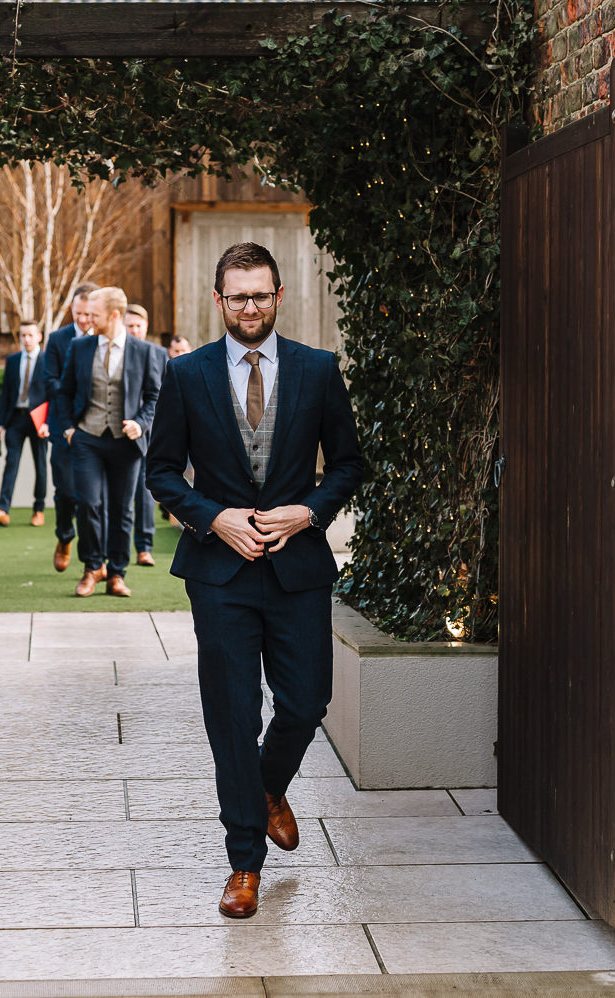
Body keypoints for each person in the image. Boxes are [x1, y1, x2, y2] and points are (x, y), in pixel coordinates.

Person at [147, 242, 362, 918]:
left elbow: (350, 465)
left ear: (277, 296)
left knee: (306, 703)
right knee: (233, 716)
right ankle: (245, 862)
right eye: (237, 295)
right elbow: (160, 472)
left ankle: (268, 790)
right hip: (219, 574)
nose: (249, 306)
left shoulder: (319, 371)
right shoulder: (186, 376)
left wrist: (310, 511)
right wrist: (214, 518)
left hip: (297, 569)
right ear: (219, 301)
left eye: (260, 295)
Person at [55, 286, 164, 598]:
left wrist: (141, 424)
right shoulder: (80, 347)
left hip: (125, 442)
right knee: (88, 503)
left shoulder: (144, 352)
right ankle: (92, 568)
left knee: (121, 509)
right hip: (87, 438)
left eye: (95, 314)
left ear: (114, 315)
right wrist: (68, 429)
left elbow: (155, 397)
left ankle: (117, 573)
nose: (88, 319)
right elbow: (63, 393)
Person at [41, 282, 101, 573]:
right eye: (78, 313)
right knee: (65, 492)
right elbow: (50, 382)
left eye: (89, 314)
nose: (83, 320)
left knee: (91, 499)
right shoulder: (57, 339)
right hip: (63, 425)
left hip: (97, 429)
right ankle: (64, 537)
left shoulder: (105, 339)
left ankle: (93, 557)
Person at [0, 319, 50, 527]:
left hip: (38, 420)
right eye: (23, 335)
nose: (26, 339)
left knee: (40, 465)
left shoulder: (48, 360)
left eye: (30, 335)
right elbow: (6, 394)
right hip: (15, 419)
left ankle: (38, 510)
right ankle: (3, 510)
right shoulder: (12, 360)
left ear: (39, 337)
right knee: (11, 462)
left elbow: (53, 394)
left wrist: (47, 422)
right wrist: (0, 424)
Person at [123, 303, 167, 567]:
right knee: (122, 494)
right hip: (125, 433)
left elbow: (165, 393)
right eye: (130, 326)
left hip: (152, 433)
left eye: (138, 326)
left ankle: (144, 547)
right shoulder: (118, 353)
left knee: (145, 491)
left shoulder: (159, 354)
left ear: (146, 327)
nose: (134, 330)